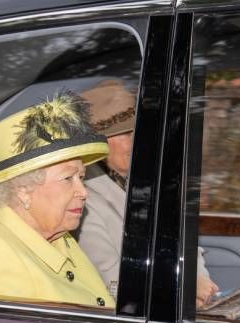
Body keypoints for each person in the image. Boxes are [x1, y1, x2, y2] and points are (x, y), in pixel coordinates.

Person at [0, 90, 115, 308]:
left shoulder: (58, 236)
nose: (84, 192)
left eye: (81, 177)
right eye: (68, 178)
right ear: (23, 191)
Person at [77, 80, 219, 307]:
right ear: (97, 144)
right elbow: (109, 281)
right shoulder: (82, 199)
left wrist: (198, 278)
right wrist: (182, 288)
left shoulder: (148, 180)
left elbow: (185, 246)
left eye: (139, 131)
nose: (137, 142)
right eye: (124, 133)